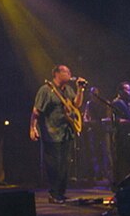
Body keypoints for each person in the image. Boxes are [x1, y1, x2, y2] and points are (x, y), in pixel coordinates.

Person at [30, 65, 87, 204]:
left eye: (69, 71)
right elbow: (36, 111)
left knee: (64, 165)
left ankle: (61, 193)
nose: (69, 73)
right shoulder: (46, 90)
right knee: (54, 165)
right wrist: (33, 127)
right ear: (56, 73)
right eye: (66, 71)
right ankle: (54, 194)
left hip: (66, 132)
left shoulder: (68, 90)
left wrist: (80, 89)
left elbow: (76, 105)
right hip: (51, 132)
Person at [111, 81, 130, 187]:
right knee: (121, 160)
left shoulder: (128, 104)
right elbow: (116, 120)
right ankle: (118, 183)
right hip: (121, 136)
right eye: (128, 90)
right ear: (120, 91)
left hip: (129, 136)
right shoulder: (117, 103)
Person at [82, 87, 112, 182]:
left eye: (95, 93)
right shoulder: (89, 104)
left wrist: (100, 121)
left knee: (106, 151)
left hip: (104, 130)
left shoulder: (105, 103)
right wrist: (87, 121)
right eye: (92, 93)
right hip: (94, 130)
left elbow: (109, 117)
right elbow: (85, 117)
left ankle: (108, 173)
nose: (94, 95)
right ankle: (98, 174)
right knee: (95, 152)